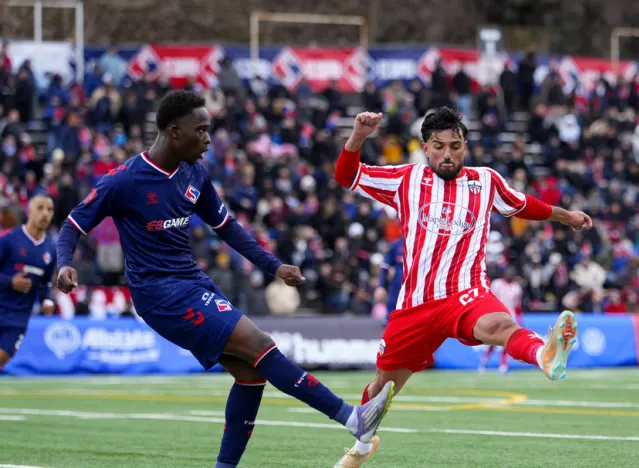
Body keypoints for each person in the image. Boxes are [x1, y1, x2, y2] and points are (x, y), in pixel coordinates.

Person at [54, 90, 395, 468]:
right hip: (158, 294)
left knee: (251, 374)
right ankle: (353, 418)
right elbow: (72, 225)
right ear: (174, 132)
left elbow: (227, 227)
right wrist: (64, 263)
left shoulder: (194, 173)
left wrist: (273, 266)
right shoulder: (123, 181)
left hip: (191, 282)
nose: (208, 139)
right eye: (200, 130)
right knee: (260, 343)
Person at [331, 108, 592, 467]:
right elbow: (346, 174)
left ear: (465, 146)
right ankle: (361, 447)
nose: (448, 154)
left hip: (465, 293)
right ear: (426, 148)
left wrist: (567, 216)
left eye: (455, 145)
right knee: (381, 390)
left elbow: (523, 205)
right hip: (414, 306)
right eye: (439, 146)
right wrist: (358, 135)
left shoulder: (486, 181)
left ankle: (543, 355)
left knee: (500, 326)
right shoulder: (405, 179)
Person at [0, 195, 57, 372]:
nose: (45, 214)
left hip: (18, 318)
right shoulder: (9, 239)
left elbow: (45, 282)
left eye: (49, 209)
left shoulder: (50, 250)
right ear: (29, 211)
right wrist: (10, 282)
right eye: (40, 208)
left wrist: (46, 300)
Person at [479, 266, 523, 374]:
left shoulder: (516, 288)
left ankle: (503, 365)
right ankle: (484, 362)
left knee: (506, 341)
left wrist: (519, 320)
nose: (510, 274)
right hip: (497, 315)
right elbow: (490, 299)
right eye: (508, 272)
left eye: (512, 273)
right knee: (492, 341)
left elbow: (517, 306)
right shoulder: (497, 284)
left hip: (509, 317)